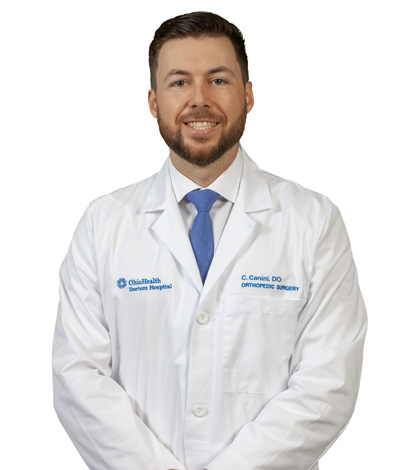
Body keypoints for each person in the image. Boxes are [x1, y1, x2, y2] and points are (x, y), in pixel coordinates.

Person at [52, 11, 367, 470]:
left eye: (218, 80)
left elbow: (327, 384)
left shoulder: (313, 222)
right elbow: (78, 378)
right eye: (179, 82)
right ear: (153, 101)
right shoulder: (104, 225)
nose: (199, 100)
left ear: (248, 95)